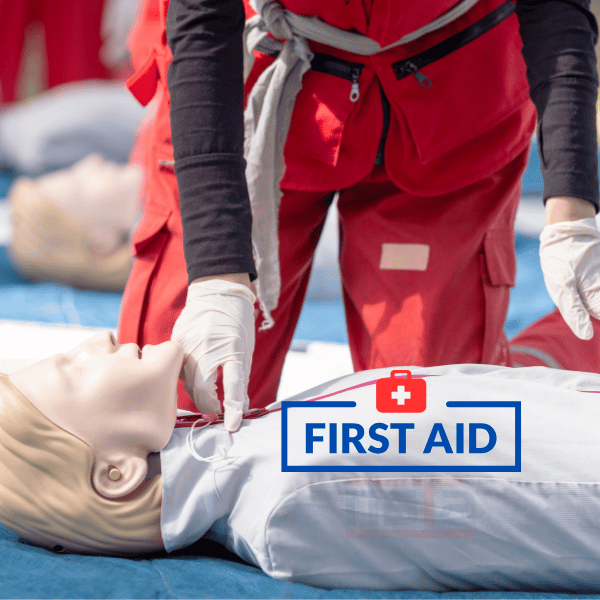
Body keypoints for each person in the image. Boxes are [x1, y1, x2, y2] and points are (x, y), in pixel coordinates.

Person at [118, 0, 600, 433]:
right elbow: (202, 19)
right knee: (174, 419)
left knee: (428, 435)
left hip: (448, 100)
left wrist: (571, 209)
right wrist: (216, 270)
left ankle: (574, 349)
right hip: (247, 98)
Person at [4, 331, 600, 592]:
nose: (95, 341)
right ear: (117, 472)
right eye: (72, 370)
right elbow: (541, 488)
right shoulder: (286, 489)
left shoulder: (261, 452)